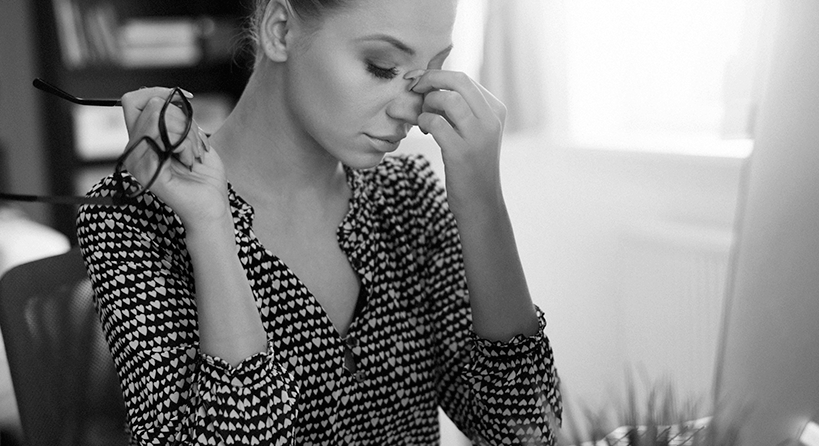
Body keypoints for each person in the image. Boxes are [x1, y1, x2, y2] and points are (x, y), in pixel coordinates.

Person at [76, 0, 562, 444]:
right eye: (382, 67)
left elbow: (525, 432)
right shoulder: (132, 223)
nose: (410, 110)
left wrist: (482, 203)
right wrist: (210, 225)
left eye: (428, 75)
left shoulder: (407, 196)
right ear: (280, 30)